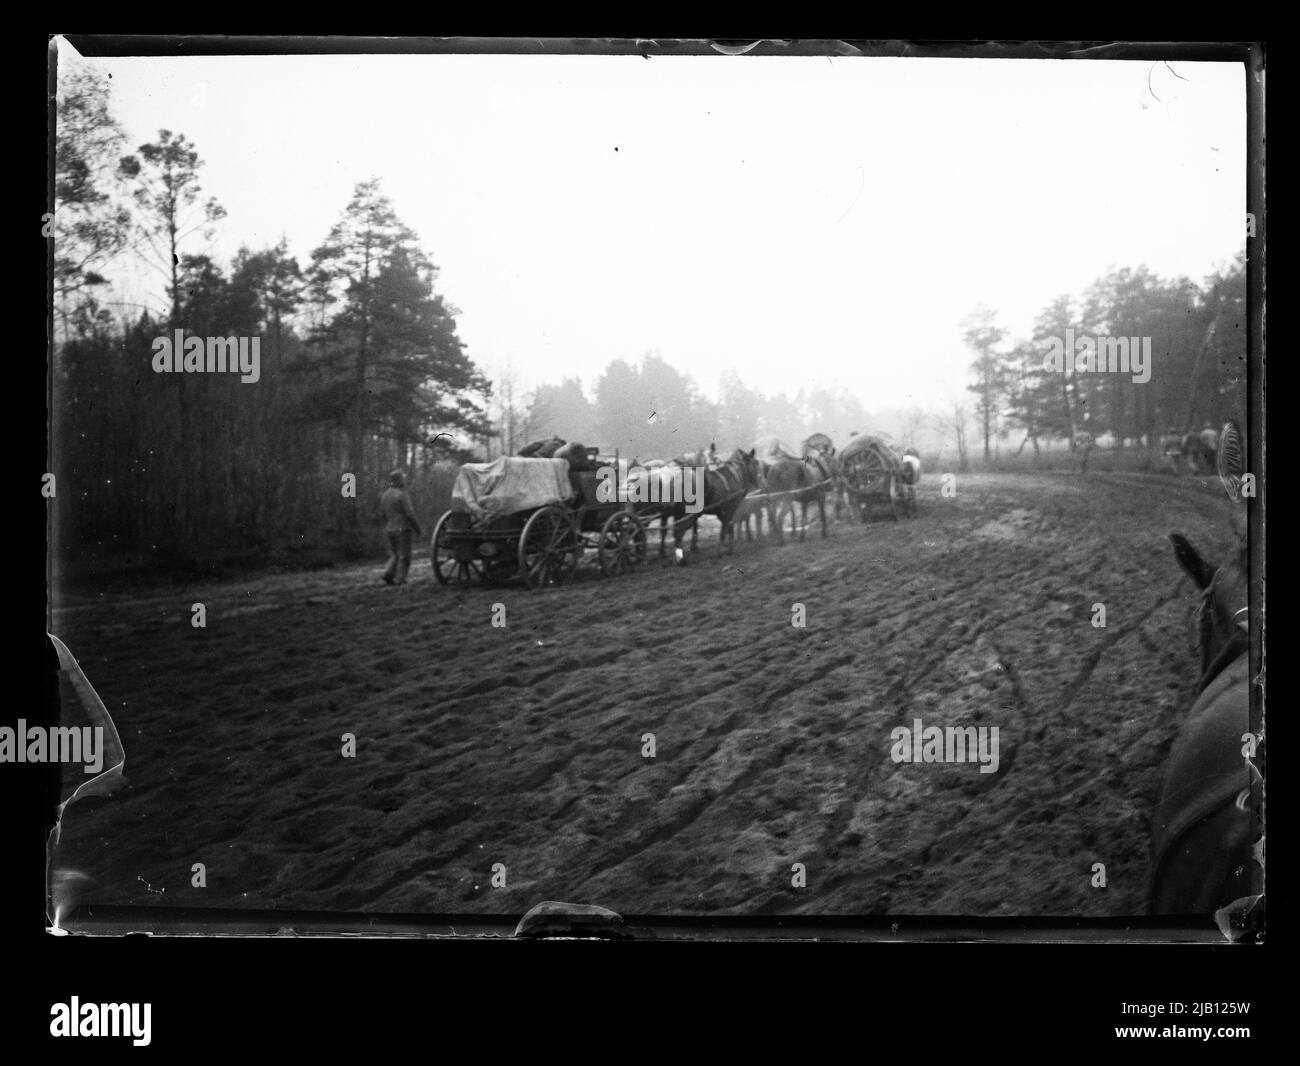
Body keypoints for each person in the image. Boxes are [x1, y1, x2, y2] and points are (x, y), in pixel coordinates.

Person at [379, 470, 422, 585]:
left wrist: (387, 527)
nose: (405, 481)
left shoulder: (385, 495)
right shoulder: (402, 494)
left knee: (395, 554)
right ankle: (400, 579)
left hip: (390, 529)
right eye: (403, 479)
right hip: (402, 529)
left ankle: (387, 574)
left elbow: (382, 515)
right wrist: (417, 528)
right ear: (398, 480)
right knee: (404, 556)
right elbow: (410, 514)